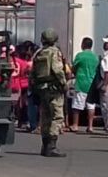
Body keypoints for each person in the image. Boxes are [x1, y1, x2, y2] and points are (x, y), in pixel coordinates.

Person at [29, 28, 66, 157]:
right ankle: (51, 147)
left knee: (45, 117)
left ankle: (44, 147)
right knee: (56, 116)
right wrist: (63, 82)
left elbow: (32, 73)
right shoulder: (54, 52)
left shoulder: (38, 53)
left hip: (41, 89)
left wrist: (33, 89)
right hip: (53, 89)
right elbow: (57, 69)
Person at [70, 37, 98, 133]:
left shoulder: (80, 55)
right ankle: (90, 126)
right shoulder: (95, 57)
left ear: (83, 44)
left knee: (77, 105)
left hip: (81, 82)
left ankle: (75, 125)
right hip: (91, 83)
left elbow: (73, 68)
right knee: (91, 106)